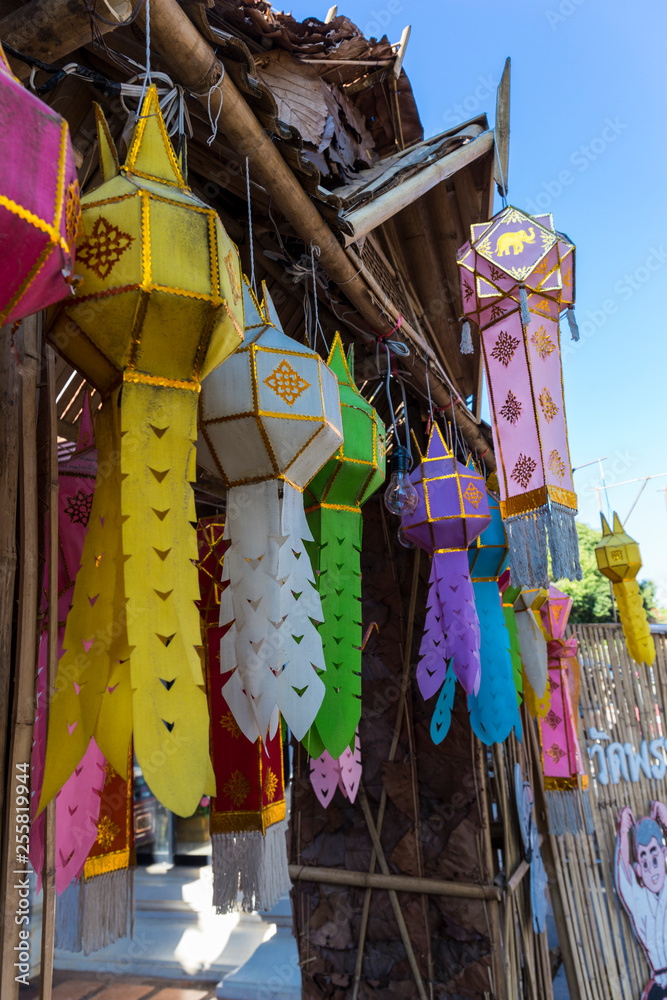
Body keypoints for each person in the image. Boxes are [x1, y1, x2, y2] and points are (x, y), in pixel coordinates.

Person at [616, 802, 667, 1000]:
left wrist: (665, 820)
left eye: (655, 858)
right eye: (645, 863)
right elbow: (623, 875)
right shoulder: (640, 900)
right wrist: (623, 832)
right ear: (638, 869)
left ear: (664, 854)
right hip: (659, 984)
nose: (652, 869)